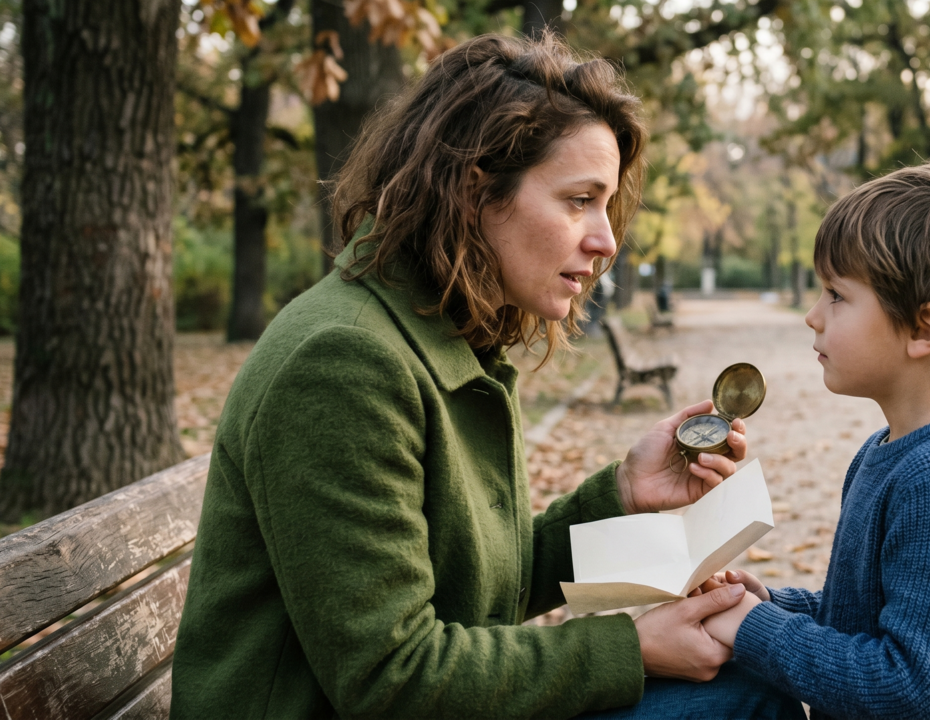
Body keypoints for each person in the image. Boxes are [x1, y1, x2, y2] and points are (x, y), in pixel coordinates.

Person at [171, 34, 790, 719]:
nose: (606, 240)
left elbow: (482, 587)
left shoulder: (441, 337)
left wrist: (619, 492)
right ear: (475, 192)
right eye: (579, 199)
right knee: (746, 698)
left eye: (605, 205)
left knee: (751, 669)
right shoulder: (343, 364)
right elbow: (392, 679)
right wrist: (631, 647)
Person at [698, 162, 930, 719]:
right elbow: (864, 617)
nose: (813, 315)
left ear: (922, 331)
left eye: (836, 295)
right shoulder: (890, 447)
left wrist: (754, 631)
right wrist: (770, 606)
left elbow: (910, 689)